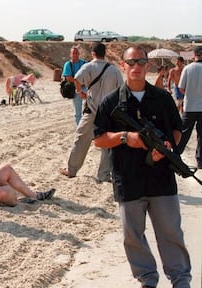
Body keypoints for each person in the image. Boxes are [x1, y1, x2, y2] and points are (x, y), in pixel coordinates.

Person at [93, 46, 191, 288]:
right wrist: (126, 137)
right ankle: (147, 279)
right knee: (133, 236)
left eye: (141, 62)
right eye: (131, 62)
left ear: (148, 66)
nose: (136, 66)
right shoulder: (111, 101)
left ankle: (180, 280)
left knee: (171, 233)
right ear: (123, 66)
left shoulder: (162, 98)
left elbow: (177, 130)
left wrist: (166, 147)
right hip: (128, 178)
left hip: (161, 177)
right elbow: (98, 139)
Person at [59, 42, 123, 183]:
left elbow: (76, 78)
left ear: (93, 53)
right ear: (104, 53)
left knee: (81, 139)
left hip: (91, 109)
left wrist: (80, 92)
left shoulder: (88, 66)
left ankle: (71, 170)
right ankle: (104, 175)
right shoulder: (114, 70)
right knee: (107, 143)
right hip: (108, 112)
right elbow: (122, 90)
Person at [176, 46, 202, 168]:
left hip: (190, 106)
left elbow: (181, 88)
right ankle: (200, 161)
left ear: (194, 55)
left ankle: (176, 156)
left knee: (184, 133)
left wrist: (191, 93)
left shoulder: (188, 68)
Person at [62, 46, 88, 125]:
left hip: (86, 88)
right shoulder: (68, 64)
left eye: (76, 53)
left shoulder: (84, 63)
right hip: (76, 89)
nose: (75, 55)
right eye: (73, 53)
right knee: (78, 112)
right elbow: (68, 78)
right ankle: (79, 129)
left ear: (79, 54)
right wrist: (79, 83)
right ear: (70, 54)